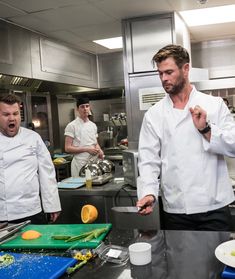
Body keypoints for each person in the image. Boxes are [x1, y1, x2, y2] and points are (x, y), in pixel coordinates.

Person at [136, 44, 235, 231]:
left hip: (214, 206)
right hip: (176, 209)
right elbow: (148, 161)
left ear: (186, 69)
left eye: (169, 72)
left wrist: (206, 129)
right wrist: (148, 193)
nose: (164, 78)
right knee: (179, 260)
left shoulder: (214, 105)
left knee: (216, 260)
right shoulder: (154, 114)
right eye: (160, 74)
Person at [0, 93, 61, 224]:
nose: (12, 118)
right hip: (3, 214)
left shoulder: (33, 138)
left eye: (15, 114)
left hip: (31, 210)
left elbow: (47, 173)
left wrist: (52, 206)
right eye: (6, 114)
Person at [64, 97, 104, 177]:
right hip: (79, 164)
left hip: (93, 164)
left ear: (89, 108)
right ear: (77, 109)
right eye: (82, 107)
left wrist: (100, 151)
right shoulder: (72, 126)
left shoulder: (93, 125)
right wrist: (87, 149)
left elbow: (95, 143)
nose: (85, 109)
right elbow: (67, 148)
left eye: (87, 106)